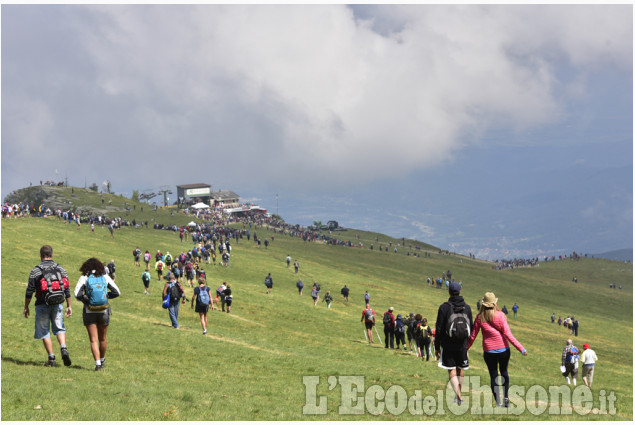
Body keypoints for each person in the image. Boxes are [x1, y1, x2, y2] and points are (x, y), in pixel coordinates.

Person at [467, 292, 527, 407]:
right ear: (495, 303)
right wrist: (521, 348)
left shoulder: (480, 318)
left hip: (489, 351)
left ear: (483, 304)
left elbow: (473, 336)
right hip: (504, 349)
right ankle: (505, 399)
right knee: (504, 372)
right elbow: (508, 334)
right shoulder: (501, 315)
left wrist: (465, 349)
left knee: (493, 375)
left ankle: (498, 402)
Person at [24, 245, 73, 367]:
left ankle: (51, 359)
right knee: (59, 328)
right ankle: (63, 348)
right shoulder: (60, 268)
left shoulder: (36, 270)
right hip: (57, 303)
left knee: (44, 331)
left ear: (40, 255)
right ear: (52, 255)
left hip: (41, 304)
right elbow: (66, 288)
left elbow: (29, 291)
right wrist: (69, 305)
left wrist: (26, 306)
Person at [74, 258, 121, 371]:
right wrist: (105, 297)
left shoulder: (84, 278)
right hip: (104, 311)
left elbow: (77, 294)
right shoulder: (104, 277)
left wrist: (88, 300)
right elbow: (117, 292)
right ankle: (103, 360)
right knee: (103, 339)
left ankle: (98, 364)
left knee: (93, 340)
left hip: (89, 311)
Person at [435, 281, 472, 405]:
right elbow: (470, 327)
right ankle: (458, 396)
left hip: (448, 344)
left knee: (451, 370)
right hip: (462, 344)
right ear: (460, 291)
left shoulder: (444, 307)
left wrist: (437, 347)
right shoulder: (467, 308)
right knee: (460, 368)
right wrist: (467, 346)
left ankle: (459, 396)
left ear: (449, 292)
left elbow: (439, 329)